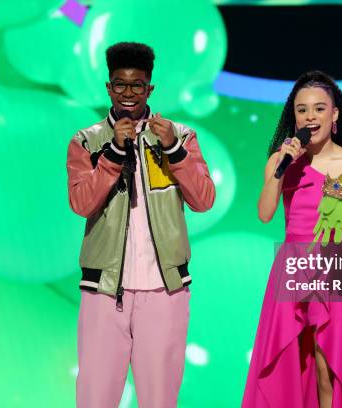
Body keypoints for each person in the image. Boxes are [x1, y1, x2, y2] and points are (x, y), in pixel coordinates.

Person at [66, 42, 215, 408]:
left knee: (159, 400)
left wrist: (174, 152)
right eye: (120, 84)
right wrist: (114, 154)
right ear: (108, 88)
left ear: (150, 88)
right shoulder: (86, 141)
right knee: (94, 399)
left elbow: (204, 199)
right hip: (103, 290)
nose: (128, 93)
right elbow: (82, 202)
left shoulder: (179, 136)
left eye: (137, 85)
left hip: (165, 290)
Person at [242, 70, 342, 408]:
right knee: (286, 362)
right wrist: (281, 166)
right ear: (294, 116)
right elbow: (264, 212)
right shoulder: (282, 160)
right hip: (292, 266)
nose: (310, 116)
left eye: (319, 108)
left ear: (334, 115)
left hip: (333, 267)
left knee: (326, 367)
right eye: (302, 109)